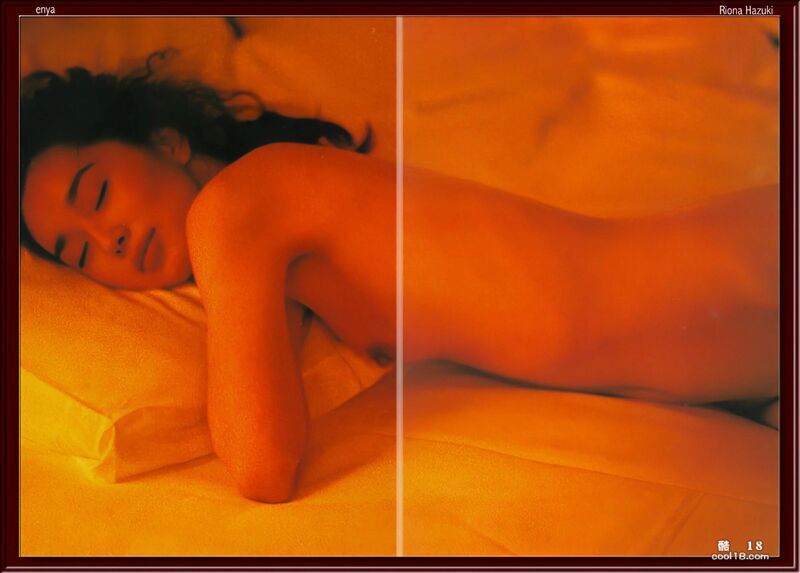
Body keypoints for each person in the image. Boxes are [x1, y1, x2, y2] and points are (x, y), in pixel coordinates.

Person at [20, 54, 779, 504]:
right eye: (79, 254)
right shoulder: (267, 237)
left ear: (166, 141)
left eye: (97, 194)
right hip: (706, 323)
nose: (108, 238)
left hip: (713, 284)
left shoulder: (231, 210)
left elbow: (260, 467)